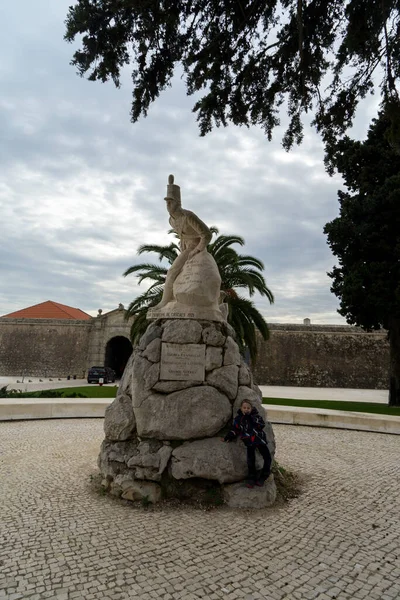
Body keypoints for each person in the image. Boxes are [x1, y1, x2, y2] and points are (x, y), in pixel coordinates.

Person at [152, 174, 212, 310]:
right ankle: (170, 299)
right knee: (177, 272)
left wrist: (197, 249)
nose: (168, 205)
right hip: (185, 247)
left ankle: (164, 302)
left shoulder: (188, 216)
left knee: (172, 271)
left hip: (194, 247)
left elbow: (207, 234)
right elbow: (182, 235)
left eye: (171, 202)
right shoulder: (171, 220)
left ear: (177, 202)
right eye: (166, 202)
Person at [224, 400, 272, 488]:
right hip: (249, 441)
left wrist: (251, 418)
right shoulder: (239, 419)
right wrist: (228, 437)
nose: (246, 410)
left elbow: (261, 425)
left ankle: (264, 476)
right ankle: (251, 478)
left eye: (248, 408)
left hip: (259, 440)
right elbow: (235, 429)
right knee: (250, 460)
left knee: (267, 457)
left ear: (251, 408)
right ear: (241, 408)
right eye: (244, 408)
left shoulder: (256, 416)